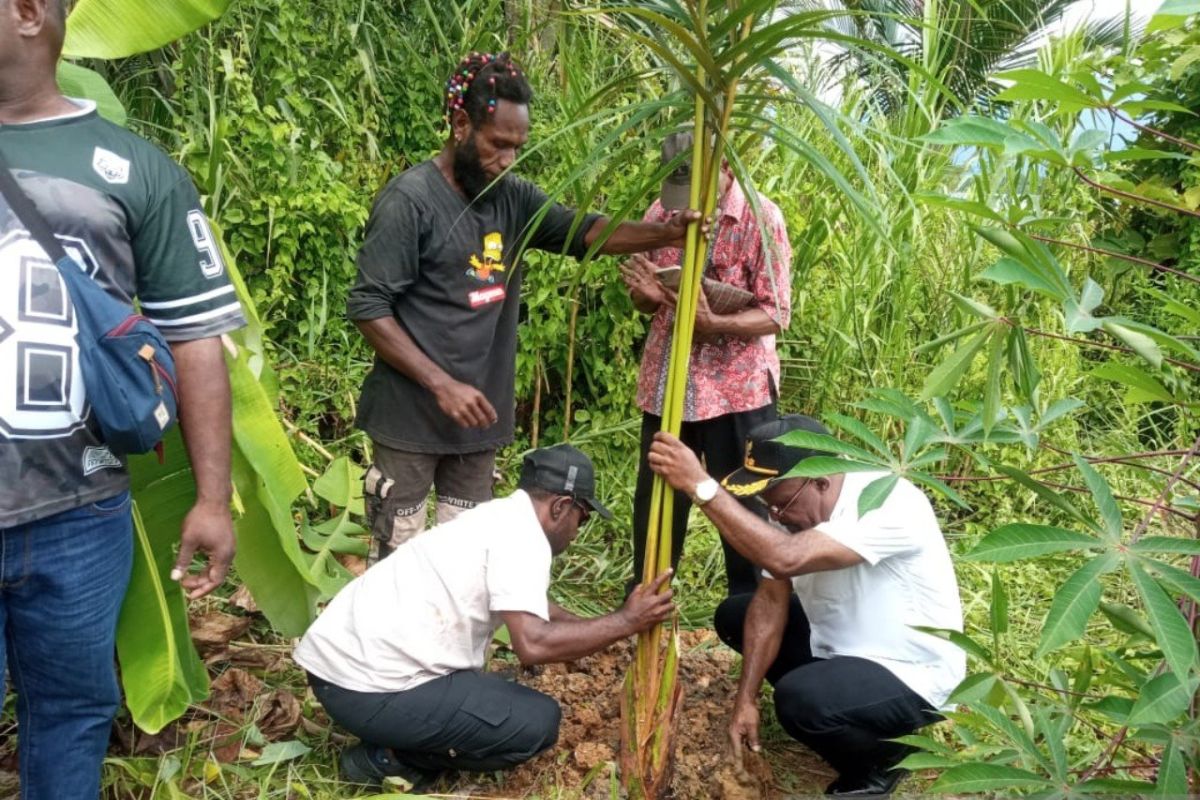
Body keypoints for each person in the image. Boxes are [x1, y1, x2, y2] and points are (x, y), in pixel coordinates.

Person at [0, 1, 244, 798]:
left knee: (73, 712)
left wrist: (212, 499)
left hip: (81, 516)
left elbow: (194, 339)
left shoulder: (135, 169)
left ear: (28, 12)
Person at [348, 52, 702, 561]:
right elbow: (369, 306)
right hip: (408, 422)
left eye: (517, 147)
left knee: (466, 562)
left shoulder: (513, 198)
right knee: (399, 560)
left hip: (477, 426)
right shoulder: (411, 201)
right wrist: (441, 384)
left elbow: (586, 231)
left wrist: (665, 233)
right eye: (498, 145)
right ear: (461, 125)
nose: (508, 160)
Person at [294, 444, 676, 792]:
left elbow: (537, 607)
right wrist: (625, 623)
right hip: (362, 689)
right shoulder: (523, 541)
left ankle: (396, 733)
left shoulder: (501, 518)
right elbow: (532, 645)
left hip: (339, 672)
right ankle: (388, 758)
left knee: (501, 692)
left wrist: (613, 625)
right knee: (536, 722)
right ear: (560, 507)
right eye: (583, 517)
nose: (578, 530)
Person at [647, 415, 965, 797]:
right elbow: (770, 600)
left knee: (799, 699)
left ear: (821, 482)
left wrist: (701, 487)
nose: (776, 516)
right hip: (842, 652)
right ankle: (837, 707)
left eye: (782, 504)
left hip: (913, 672)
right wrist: (745, 699)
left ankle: (882, 763)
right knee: (736, 614)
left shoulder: (888, 502)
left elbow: (785, 558)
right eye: (767, 505)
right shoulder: (793, 511)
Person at [620, 131, 791, 598]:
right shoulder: (660, 215)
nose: (688, 204)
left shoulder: (760, 218)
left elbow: (777, 313)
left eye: (699, 188)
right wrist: (647, 295)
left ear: (726, 170)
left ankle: (751, 613)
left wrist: (714, 323)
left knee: (743, 509)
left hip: (737, 393)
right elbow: (642, 300)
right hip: (668, 383)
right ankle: (648, 610)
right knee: (656, 508)